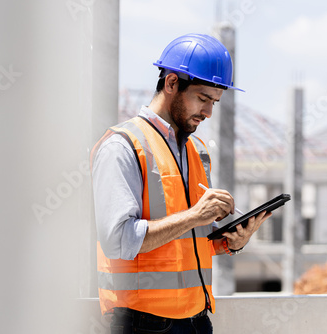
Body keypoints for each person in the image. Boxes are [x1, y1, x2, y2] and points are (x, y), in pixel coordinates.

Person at [90, 33, 272, 333]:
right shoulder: (122, 146)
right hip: (142, 323)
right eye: (202, 98)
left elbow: (185, 241)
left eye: (214, 102)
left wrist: (228, 242)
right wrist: (195, 215)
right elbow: (119, 240)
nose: (208, 112)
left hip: (196, 321)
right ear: (172, 83)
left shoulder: (195, 150)